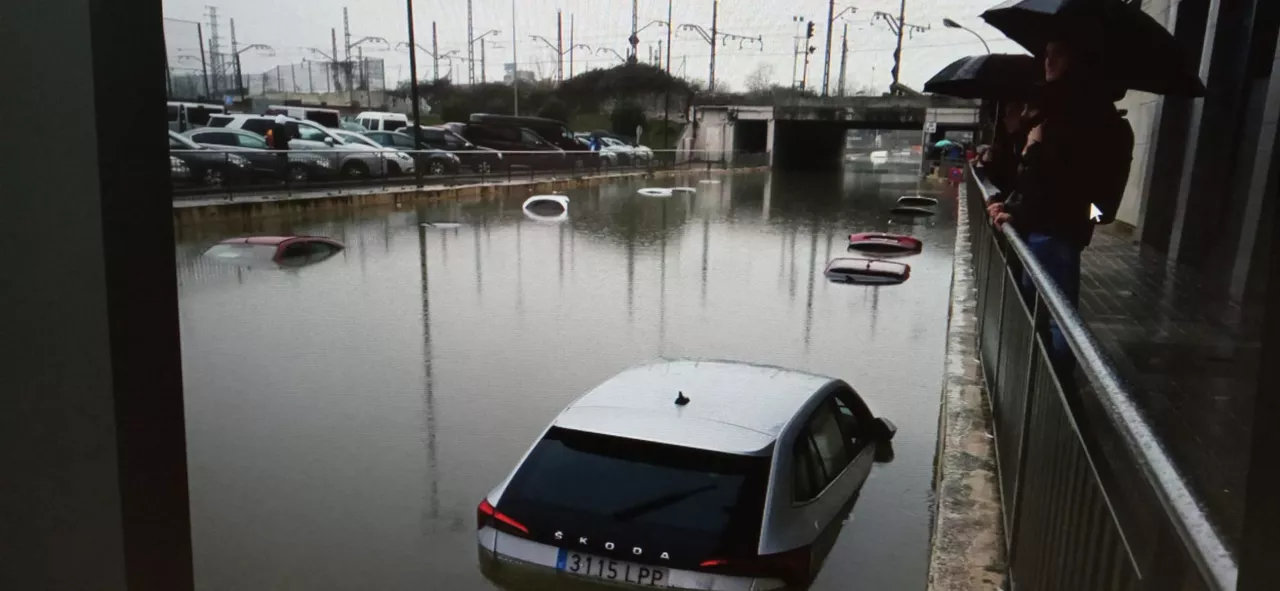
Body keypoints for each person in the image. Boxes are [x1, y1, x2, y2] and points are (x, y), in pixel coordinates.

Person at [988, 39, 1135, 368]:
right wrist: (1014, 208)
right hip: (1056, 229)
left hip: (1058, 233)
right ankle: (1043, 379)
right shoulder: (1077, 115)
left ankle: (1053, 385)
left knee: (1055, 318)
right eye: (1047, 54)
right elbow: (1047, 192)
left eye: (1057, 54)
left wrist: (1033, 151)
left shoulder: (1086, 120)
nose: (1047, 61)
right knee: (1044, 310)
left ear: (1078, 60)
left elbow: (1066, 192)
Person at [269, 114, 292, 183]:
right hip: (282, 149)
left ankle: (279, 178)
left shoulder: (273, 128)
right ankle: (283, 178)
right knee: (283, 164)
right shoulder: (281, 128)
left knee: (279, 164)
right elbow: (285, 138)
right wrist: (290, 137)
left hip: (277, 148)